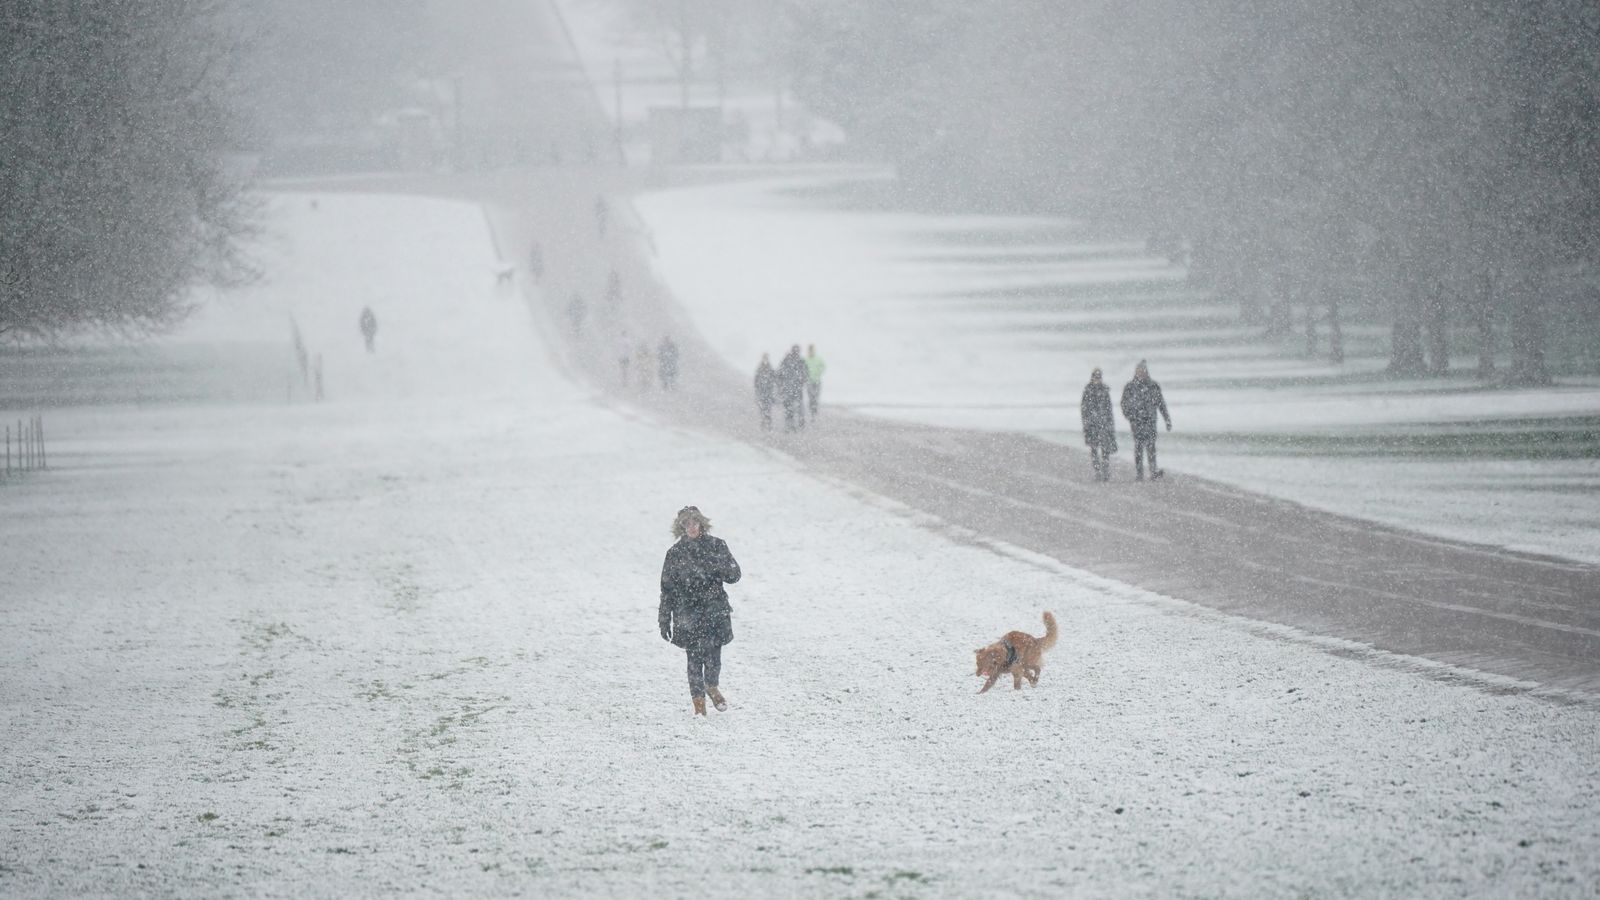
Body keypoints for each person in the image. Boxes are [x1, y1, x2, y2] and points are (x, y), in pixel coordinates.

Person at [658, 506, 742, 715]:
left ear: (701, 523)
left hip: (714, 610)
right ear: (681, 527)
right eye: (686, 524)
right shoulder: (675, 553)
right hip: (687, 613)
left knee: (714, 656)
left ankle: (712, 686)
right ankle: (699, 706)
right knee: (694, 659)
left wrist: (717, 563)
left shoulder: (717, 546)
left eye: (694, 522)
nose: (691, 527)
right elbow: (666, 588)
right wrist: (663, 619)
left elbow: (734, 576)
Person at [1119, 359, 1172, 481]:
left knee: (1151, 447)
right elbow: (1124, 404)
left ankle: (1153, 472)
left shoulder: (1153, 386)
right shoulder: (1130, 387)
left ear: (1146, 372)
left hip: (1151, 421)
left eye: (1143, 371)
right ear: (1135, 372)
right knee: (1138, 448)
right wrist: (1130, 417)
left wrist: (1167, 420)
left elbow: (1161, 404)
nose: (1141, 373)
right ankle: (1139, 473)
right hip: (1137, 422)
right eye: (1139, 371)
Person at [1079, 367, 1117, 481]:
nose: (1097, 379)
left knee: (1105, 449)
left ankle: (1105, 470)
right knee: (1094, 449)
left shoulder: (1104, 390)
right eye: (1095, 377)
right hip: (1092, 425)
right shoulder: (1088, 390)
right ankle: (1097, 471)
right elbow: (1084, 408)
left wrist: (1110, 423)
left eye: (1099, 377)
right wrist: (1087, 422)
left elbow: (1109, 408)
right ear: (1092, 378)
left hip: (1104, 424)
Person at [778, 344, 808, 432]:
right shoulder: (791, 361)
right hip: (791, 389)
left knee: (792, 407)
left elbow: (805, 374)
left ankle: (791, 424)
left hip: (794, 389)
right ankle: (791, 425)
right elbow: (780, 374)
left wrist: (802, 380)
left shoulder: (799, 362)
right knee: (791, 407)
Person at [754, 353, 777, 430]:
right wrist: (757, 388)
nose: (765, 360)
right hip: (762, 391)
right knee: (762, 408)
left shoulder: (770, 368)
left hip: (768, 391)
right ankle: (764, 421)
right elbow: (756, 380)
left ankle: (768, 422)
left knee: (768, 407)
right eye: (764, 358)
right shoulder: (760, 368)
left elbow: (774, 378)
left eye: (766, 358)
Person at [804, 344, 826, 419]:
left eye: (812, 350)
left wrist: (818, 373)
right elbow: (802, 368)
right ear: (808, 351)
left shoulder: (818, 359)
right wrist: (805, 375)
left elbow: (823, 366)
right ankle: (812, 411)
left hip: (817, 381)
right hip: (809, 381)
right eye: (810, 350)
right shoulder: (805, 359)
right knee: (811, 397)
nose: (811, 351)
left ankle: (814, 410)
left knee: (816, 396)